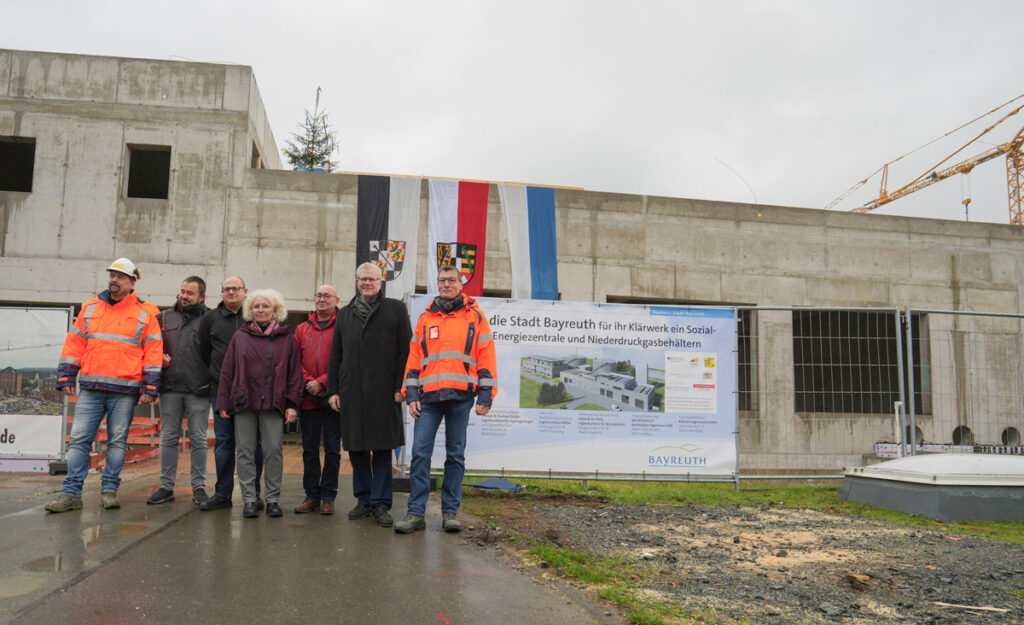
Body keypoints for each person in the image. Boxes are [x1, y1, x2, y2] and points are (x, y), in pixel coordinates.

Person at [46, 258, 163, 513]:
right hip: (91, 388)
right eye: (112, 275)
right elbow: (74, 344)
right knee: (78, 441)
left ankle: (109, 491)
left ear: (133, 282)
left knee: (117, 442)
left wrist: (150, 387)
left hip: (125, 391)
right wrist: (66, 375)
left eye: (121, 277)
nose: (114, 280)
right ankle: (71, 494)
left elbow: (154, 351)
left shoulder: (147, 312)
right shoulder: (89, 308)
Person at [394, 264, 496, 534]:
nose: (447, 284)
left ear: (461, 284)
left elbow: (485, 356)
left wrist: (486, 394)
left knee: (455, 455)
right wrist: (411, 393)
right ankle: (416, 513)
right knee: (419, 454)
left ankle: (450, 513)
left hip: (461, 396)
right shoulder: (426, 318)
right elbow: (414, 359)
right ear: (437, 284)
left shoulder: (475, 317)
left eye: (452, 280)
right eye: (442, 280)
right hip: (428, 398)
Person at [327, 263, 411, 528]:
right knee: (358, 449)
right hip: (352, 392)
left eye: (372, 279)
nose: (367, 283)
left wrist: (402, 387)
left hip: (385, 393)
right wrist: (333, 390)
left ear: (381, 281)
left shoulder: (395, 309)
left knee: (383, 448)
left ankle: (381, 503)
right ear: (356, 281)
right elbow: (336, 356)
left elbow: (405, 351)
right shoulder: (344, 314)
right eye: (362, 279)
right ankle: (363, 500)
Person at [215, 289, 302, 518]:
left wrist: (292, 403)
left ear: (275, 311)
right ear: (250, 311)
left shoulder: (286, 338)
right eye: (256, 306)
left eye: (265, 306)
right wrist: (223, 401)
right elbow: (227, 371)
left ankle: (272, 499)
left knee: (273, 451)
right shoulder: (240, 337)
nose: (260, 310)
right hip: (244, 403)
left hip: (274, 404)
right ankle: (249, 500)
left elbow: (294, 373)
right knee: (244, 451)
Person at [196, 276, 263, 512]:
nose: (231, 292)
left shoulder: (255, 315)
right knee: (224, 442)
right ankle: (222, 493)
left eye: (236, 289)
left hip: (252, 393)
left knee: (254, 445)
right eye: (227, 289)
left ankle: (253, 495)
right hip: (221, 392)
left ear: (245, 291)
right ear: (221, 292)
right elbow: (204, 352)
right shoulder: (210, 319)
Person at [147, 276, 211, 506]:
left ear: (201, 297)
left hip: (199, 389)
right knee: (169, 437)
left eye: (190, 293)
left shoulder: (210, 319)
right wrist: (158, 357)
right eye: (182, 291)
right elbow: (149, 346)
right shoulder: (163, 318)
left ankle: (199, 487)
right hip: (170, 387)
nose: (184, 296)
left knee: (199, 439)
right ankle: (166, 487)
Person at [293, 285, 341, 515]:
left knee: (332, 449)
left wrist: (323, 382)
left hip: (332, 397)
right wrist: (309, 382)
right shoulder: (302, 329)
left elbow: (344, 360)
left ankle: (328, 496)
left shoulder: (343, 327)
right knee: (309, 449)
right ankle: (312, 495)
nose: (322, 299)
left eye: (327, 296)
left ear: (336, 300)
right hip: (308, 398)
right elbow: (295, 361)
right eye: (319, 295)